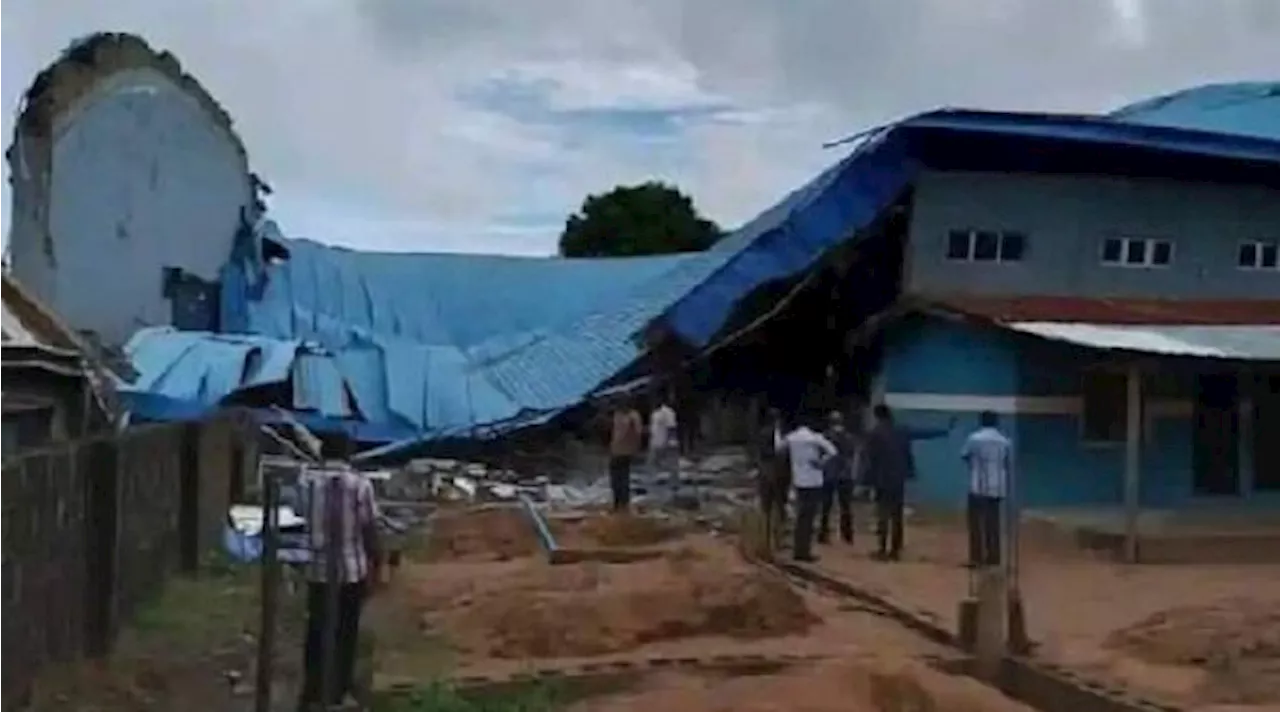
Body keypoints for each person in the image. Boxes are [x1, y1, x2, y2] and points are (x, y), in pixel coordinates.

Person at [297, 434, 382, 711]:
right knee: (346, 632)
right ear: (349, 455)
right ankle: (338, 689)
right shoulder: (361, 485)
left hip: (318, 570)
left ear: (322, 454)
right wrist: (376, 565)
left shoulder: (306, 482)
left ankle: (312, 689)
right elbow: (370, 530)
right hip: (351, 571)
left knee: (317, 629)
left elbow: (301, 515)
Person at [776, 412, 837, 563]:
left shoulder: (792, 437)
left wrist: (777, 430)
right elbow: (833, 452)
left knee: (800, 517)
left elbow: (779, 448)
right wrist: (821, 462)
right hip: (814, 481)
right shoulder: (814, 437)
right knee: (809, 518)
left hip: (799, 481)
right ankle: (805, 552)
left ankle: (798, 550)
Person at [862, 404, 915, 561]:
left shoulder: (875, 433)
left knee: (883, 515)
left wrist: (866, 481)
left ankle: (882, 549)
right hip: (898, 479)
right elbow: (907, 454)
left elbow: (870, 459)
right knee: (897, 515)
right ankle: (896, 550)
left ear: (877, 416)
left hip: (881, 479)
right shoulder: (901, 431)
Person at [962, 410, 1013, 568]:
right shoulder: (1005, 441)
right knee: (993, 523)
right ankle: (994, 557)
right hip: (997, 486)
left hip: (978, 485)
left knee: (976, 523)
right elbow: (1007, 462)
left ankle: (976, 558)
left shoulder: (974, 438)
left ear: (981, 421)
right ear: (996, 422)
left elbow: (965, 455)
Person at [818, 410, 858, 545]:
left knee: (826, 506)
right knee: (846, 507)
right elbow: (851, 455)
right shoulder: (849, 437)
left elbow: (821, 454)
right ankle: (847, 535)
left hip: (829, 474)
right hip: (845, 475)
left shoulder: (824, 437)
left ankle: (823, 534)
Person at [753, 406, 790, 549]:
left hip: (772, 473)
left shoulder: (777, 434)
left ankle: (773, 538)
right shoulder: (769, 434)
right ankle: (773, 539)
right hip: (773, 473)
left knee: (772, 507)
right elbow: (765, 452)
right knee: (774, 507)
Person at [607, 398, 644, 512]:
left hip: (624, 449)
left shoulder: (632, 416)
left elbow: (638, 433)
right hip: (617, 449)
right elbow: (616, 432)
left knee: (622, 477)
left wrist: (635, 446)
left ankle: (622, 503)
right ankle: (618, 502)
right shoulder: (621, 415)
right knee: (617, 477)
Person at [648, 395, 680, 493]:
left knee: (672, 464)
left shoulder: (667, 412)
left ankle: (674, 484)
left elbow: (671, 427)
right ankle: (657, 481)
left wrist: (671, 440)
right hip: (656, 442)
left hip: (667, 442)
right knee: (652, 462)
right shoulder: (654, 413)